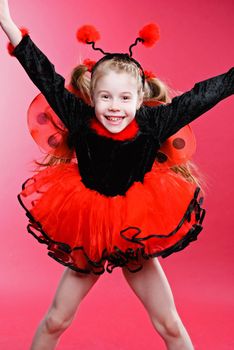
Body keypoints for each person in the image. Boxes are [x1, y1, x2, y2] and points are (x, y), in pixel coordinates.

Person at [0, 1, 233, 349]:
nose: (114, 106)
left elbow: (202, 96)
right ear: (92, 96)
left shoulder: (154, 122)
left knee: (169, 322)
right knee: (56, 319)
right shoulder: (78, 116)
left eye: (124, 98)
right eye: (105, 96)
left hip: (135, 225)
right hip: (89, 227)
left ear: (140, 98)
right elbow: (43, 73)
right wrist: (7, 23)